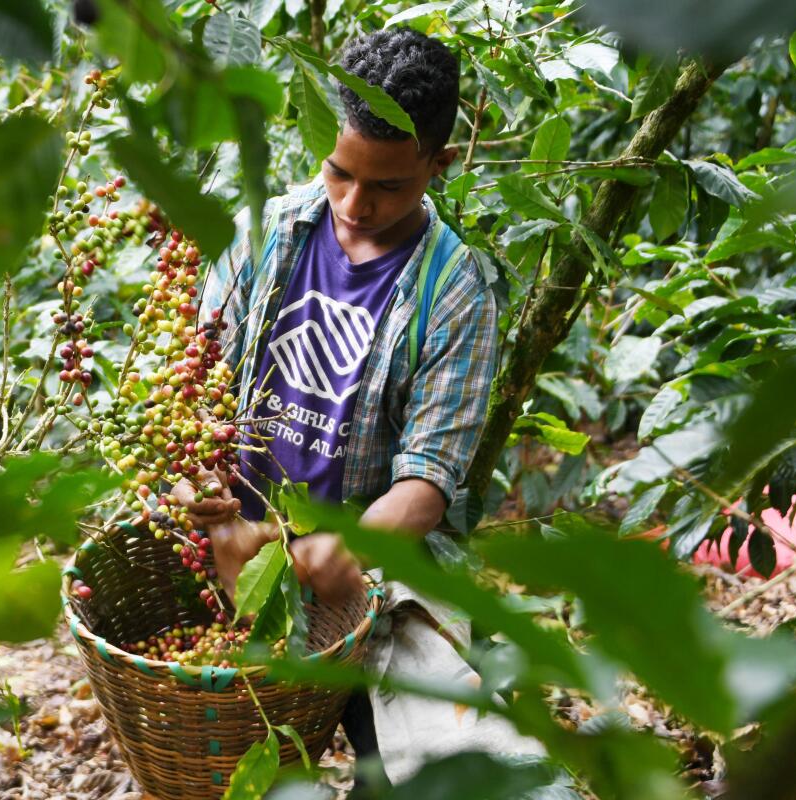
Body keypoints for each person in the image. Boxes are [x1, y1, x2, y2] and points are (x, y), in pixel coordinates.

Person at [172, 27, 542, 794]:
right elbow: (196, 391)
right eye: (338, 174)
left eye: (388, 187)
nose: (354, 203)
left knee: (405, 770)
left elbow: (427, 480)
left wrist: (341, 552)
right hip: (241, 551)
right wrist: (210, 508)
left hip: (375, 585)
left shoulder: (456, 291)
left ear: (439, 165)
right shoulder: (262, 234)